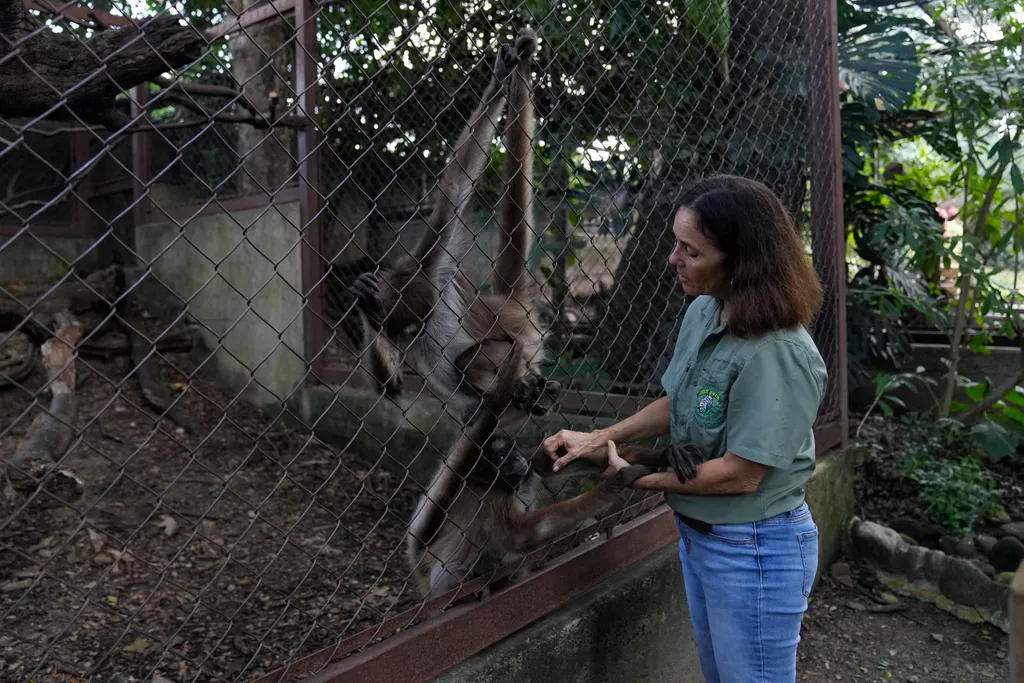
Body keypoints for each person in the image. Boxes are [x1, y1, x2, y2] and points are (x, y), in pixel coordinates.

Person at [542, 174, 828, 683]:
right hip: (700, 536)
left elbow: (743, 475)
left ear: (742, 262)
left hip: (754, 547)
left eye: (691, 251)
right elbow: (679, 400)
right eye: (676, 243)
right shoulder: (705, 310)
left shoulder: (779, 353)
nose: (673, 258)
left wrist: (633, 476)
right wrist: (600, 438)